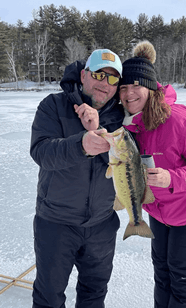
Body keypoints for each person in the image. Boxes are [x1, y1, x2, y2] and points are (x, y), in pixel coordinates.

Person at [119, 41, 186, 308]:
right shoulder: (131, 126)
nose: (129, 93)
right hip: (160, 211)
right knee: (162, 272)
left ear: (151, 88)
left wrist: (173, 179)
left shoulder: (179, 121)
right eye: (123, 87)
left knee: (182, 274)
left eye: (136, 85)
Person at [30, 48, 124, 308]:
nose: (105, 84)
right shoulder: (53, 105)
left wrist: (100, 132)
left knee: (94, 293)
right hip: (56, 223)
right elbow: (42, 152)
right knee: (49, 296)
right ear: (83, 75)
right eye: (98, 75)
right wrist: (81, 144)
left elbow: (124, 161)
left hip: (102, 224)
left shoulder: (120, 117)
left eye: (113, 79)